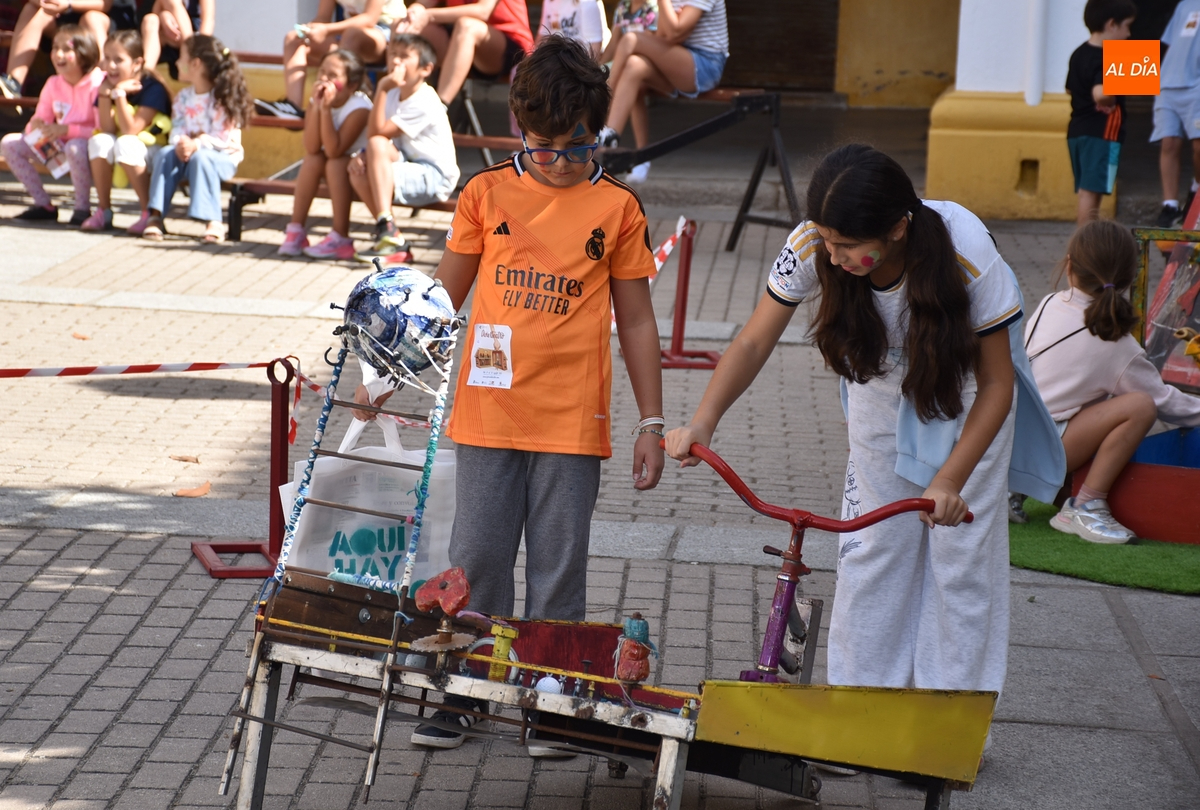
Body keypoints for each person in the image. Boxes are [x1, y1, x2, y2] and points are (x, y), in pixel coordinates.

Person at [665, 144, 1064, 704]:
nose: (832, 257)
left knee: (960, 566)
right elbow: (754, 340)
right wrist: (703, 421)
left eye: (848, 245)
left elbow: (998, 384)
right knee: (872, 552)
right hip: (879, 383)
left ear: (898, 228)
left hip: (965, 389)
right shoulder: (813, 242)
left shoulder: (966, 251)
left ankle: (949, 718)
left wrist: (948, 480)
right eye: (827, 240)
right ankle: (859, 706)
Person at [356, 35, 664, 751]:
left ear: (598, 131)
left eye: (576, 146)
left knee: (558, 571)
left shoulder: (618, 208)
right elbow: (441, 300)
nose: (558, 161)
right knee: (476, 562)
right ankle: (462, 692)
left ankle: (551, 702)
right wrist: (384, 375)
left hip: (571, 424)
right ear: (519, 128)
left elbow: (638, 321)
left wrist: (651, 422)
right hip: (488, 414)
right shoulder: (485, 192)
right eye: (543, 146)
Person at [1018, 220, 1200, 543]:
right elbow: (1164, 402)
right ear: (1129, 280)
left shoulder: (1050, 303)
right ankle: (1086, 505)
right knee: (1140, 406)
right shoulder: (1116, 342)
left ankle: (1016, 489)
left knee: (1078, 401)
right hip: (1041, 453)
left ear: (1069, 266)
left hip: (1009, 442)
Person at [349, 33, 459, 266]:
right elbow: (376, 138)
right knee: (359, 167)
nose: (396, 61)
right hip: (408, 162)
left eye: (404, 56)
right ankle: (392, 236)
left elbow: (377, 131)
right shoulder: (393, 94)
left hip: (434, 175)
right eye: (393, 54)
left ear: (426, 69)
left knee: (375, 145)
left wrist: (381, 87)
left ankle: (386, 228)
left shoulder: (424, 99)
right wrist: (361, 156)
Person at [598, 0, 726, 183]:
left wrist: (673, 24)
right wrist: (674, 26)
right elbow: (666, 35)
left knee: (631, 39)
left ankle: (601, 103)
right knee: (634, 66)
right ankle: (610, 138)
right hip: (677, 59)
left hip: (704, 64)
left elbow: (674, 33)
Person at [143, 34, 252, 243]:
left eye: (181, 57)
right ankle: (155, 216)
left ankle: (213, 221)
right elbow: (177, 127)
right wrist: (181, 143)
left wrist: (197, 144)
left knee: (201, 158)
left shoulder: (222, 98)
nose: (176, 62)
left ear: (195, 64)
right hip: (187, 155)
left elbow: (223, 138)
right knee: (165, 154)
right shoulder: (183, 97)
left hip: (221, 159)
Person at [1, 25, 104, 225]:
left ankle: (82, 209)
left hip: (90, 151)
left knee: (75, 147)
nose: (58, 54)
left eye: (66, 49)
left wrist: (67, 130)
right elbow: (39, 119)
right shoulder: (53, 83)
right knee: (9, 143)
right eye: (55, 48)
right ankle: (44, 205)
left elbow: (102, 130)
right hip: (58, 148)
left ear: (85, 53)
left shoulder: (98, 83)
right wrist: (36, 126)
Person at [279, 50, 372, 259]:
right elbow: (312, 147)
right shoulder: (317, 99)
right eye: (322, 72)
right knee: (313, 160)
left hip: (360, 169)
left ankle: (340, 237)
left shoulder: (360, 107)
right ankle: (296, 229)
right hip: (336, 164)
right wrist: (317, 107)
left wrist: (326, 110)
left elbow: (333, 149)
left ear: (351, 85)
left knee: (334, 162)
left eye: (333, 75)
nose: (324, 79)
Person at [85, 29, 174, 233]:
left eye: (118, 60)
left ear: (137, 63)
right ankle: (103, 211)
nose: (111, 66)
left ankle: (149, 214)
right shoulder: (106, 85)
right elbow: (108, 128)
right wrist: (105, 95)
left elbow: (130, 130)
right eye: (107, 58)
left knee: (126, 143)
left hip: (152, 150)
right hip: (123, 145)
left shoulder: (153, 88)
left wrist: (119, 95)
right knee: (100, 141)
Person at [1066, 0, 1136, 227]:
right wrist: (1111, 98)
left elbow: (1069, 88)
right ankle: (1085, 244)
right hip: (1101, 132)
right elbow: (1101, 93)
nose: (1129, 34)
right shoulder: (1106, 57)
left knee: (1087, 190)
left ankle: (1085, 243)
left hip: (1077, 130)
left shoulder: (1079, 53)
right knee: (1090, 193)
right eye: (1127, 26)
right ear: (1111, 24)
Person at [275, 0, 407, 116]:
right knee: (294, 38)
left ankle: (340, 106)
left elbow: (369, 18)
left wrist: (326, 29)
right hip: (346, 36)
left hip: (387, 33)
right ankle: (293, 108)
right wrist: (310, 30)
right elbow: (323, 17)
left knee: (351, 35)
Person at [392, 0, 534, 105]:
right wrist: (415, 11)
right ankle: (396, 100)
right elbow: (422, 5)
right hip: (460, 45)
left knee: (467, 26)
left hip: (509, 49)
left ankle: (439, 108)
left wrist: (427, 15)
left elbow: (483, 11)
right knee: (401, 25)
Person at [0, 0, 114, 100]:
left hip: (96, 18)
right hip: (59, 18)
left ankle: (106, 83)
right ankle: (13, 83)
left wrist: (68, 4)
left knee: (91, 18)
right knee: (31, 9)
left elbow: (105, 4)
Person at [1153, 0, 1200, 228]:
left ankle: (1195, 191)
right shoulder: (1185, 4)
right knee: (1169, 142)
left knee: (1199, 146)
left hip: (1197, 85)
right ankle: (1170, 206)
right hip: (1168, 83)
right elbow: (1170, 44)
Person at [599, 0, 656, 159]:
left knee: (626, 79)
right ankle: (600, 133)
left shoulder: (652, 7)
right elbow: (613, 44)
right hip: (624, 64)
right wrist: (597, 67)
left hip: (646, 66)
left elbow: (650, 44)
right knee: (598, 79)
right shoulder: (623, 7)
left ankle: (607, 133)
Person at [141, 0, 215, 80]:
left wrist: (202, 49)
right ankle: (144, 74)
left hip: (192, 36)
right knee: (150, 19)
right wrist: (163, 15)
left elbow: (208, 20)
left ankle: (190, 53)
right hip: (166, 37)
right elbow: (155, 13)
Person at [537, 0, 609, 60]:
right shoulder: (548, 1)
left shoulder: (587, 2)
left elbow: (594, 48)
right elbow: (542, 36)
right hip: (557, 59)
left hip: (579, 61)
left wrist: (582, 71)